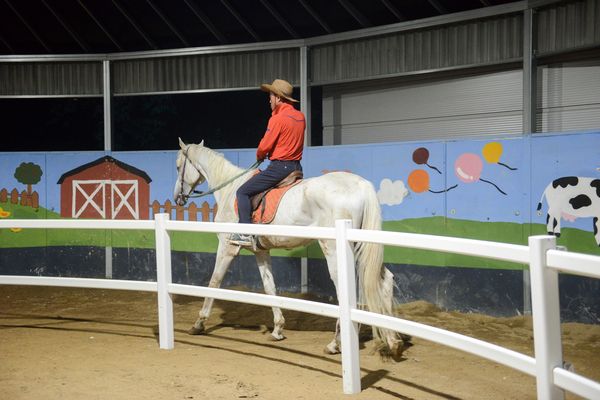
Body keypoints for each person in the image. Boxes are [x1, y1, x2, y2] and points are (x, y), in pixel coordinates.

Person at [229, 79, 306, 246]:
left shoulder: (277, 119)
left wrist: (260, 155)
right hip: (296, 167)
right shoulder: (301, 117)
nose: (269, 99)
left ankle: (245, 234)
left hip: (279, 168)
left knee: (242, 192)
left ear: (278, 97)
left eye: (271, 95)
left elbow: (265, 145)